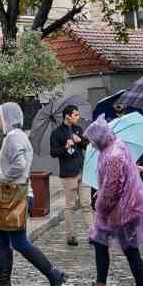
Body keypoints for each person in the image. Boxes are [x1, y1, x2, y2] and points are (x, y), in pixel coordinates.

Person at [0, 102, 67, 286]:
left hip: (14, 196)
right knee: (1, 239)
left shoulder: (13, 137)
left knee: (19, 242)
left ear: (8, 117)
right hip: (16, 195)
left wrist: (2, 179)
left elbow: (19, 166)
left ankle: (54, 274)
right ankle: (4, 285)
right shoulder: (17, 136)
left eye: (0, 115)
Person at [76, 118, 143, 286]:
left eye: (93, 140)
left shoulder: (113, 155)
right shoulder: (114, 147)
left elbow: (112, 188)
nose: (92, 145)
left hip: (124, 210)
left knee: (130, 248)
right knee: (99, 241)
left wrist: (101, 204)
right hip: (118, 208)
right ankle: (100, 284)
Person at [49, 104, 89, 246]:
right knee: (70, 206)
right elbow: (53, 152)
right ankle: (71, 236)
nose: (78, 117)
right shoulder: (57, 133)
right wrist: (65, 147)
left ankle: (93, 234)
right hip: (68, 173)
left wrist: (80, 141)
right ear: (68, 116)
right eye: (75, 115)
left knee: (86, 204)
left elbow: (87, 145)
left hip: (82, 171)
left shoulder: (78, 129)